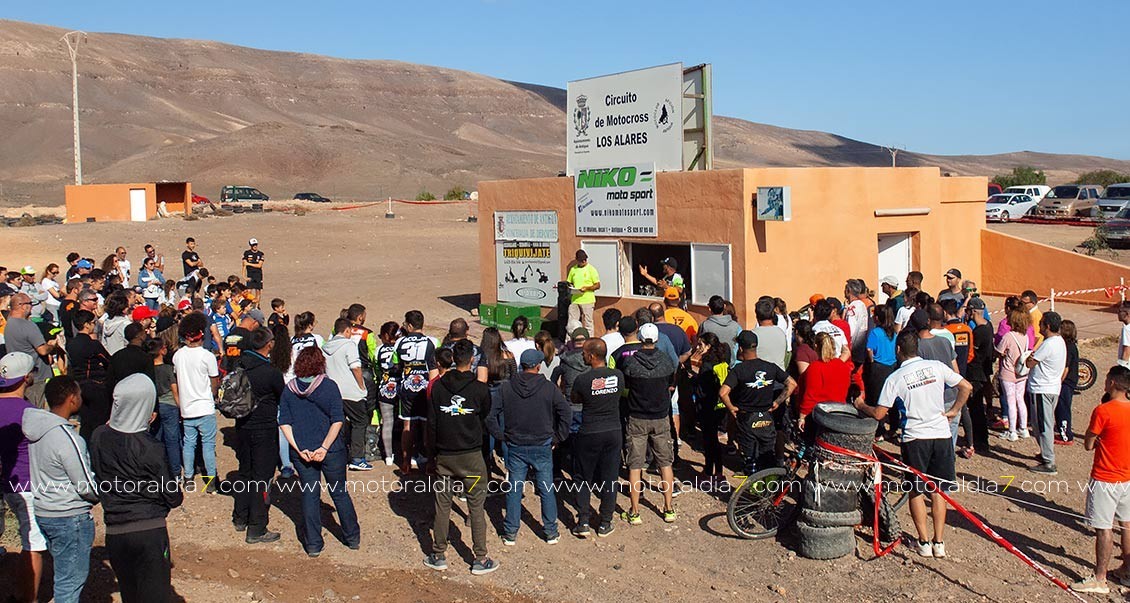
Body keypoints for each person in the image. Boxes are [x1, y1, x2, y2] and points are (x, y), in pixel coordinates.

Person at [855, 332, 971, 558]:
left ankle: (923, 541)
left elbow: (879, 413)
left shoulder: (896, 378)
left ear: (898, 350)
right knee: (939, 490)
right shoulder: (936, 367)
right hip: (941, 434)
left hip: (915, 438)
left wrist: (861, 405)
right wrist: (955, 410)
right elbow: (965, 386)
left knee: (916, 491)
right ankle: (939, 542)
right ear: (918, 348)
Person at [90, 374, 183, 603]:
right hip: (149, 532)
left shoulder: (99, 436)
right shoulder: (151, 447)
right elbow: (173, 496)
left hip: (115, 532)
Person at [423, 339, 500, 575]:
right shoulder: (479, 388)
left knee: (442, 503)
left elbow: (432, 424)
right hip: (471, 457)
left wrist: (431, 455)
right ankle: (480, 557)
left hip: (445, 455)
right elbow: (485, 414)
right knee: (476, 505)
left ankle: (438, 553)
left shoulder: (437, 387)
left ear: (453, 359)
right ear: (472, 361)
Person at [23, 376, 99, 603]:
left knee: (62, 574)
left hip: (45, 511)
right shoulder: (68, 438)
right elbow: (84, 484)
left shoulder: (36, 430)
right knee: (70, 583)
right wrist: (99, 495)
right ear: (71, 399)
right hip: (69, 516)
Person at [279, 347, 361, 557]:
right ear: (320, 364)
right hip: (331, 450)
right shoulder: (328, 386)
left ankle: (313, 544)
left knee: (309, 495)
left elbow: (284, 423)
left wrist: (298, 448)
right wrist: (324, 447)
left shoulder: (289, 389)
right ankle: (352, 537)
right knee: (339, 493)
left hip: (303, 452)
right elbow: (337, 420)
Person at [487, 349, 571, 544]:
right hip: (542, 445)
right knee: (546, 489)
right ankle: (550, 531)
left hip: (515, 444)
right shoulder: (549, 388)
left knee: (514, 488)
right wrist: (558, 437)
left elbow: (491, 415)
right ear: (538, 366)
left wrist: (501, 436)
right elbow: (565, 412)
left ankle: (510, 532)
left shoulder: (506, 388)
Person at [1072, 366, 1130, 594]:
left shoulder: (1103, 411)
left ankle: (1100, 578)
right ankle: (1127, 569)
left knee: (1103, 528)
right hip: (1127, 476)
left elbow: (1088, 444)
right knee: (1126, 523)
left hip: (1106, 476)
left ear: (1113, 383)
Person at [618, 323, 680, 524]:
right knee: (665, 463)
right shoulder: (666, 361)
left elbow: (626, 386)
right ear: (656, 339)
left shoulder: (631, 364)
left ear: (640, 338)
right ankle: (668, 508)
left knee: (635, 465)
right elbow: (672, 381)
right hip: (660, 417)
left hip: (637, 417)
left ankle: (634, 511)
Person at [0, 352, 46, 603]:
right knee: (33, 543)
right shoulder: (29, 412)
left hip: (8, 482)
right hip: (28, 483)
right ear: (26, 378)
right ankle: (29, 598)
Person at [232, 327, 284, 543]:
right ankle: (257, 527)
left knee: (245, 472)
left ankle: (240, 517)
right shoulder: (270, 372)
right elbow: (283, 397)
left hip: (242, 427)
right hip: (264, 429)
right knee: (262, 478)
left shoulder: (240, 366)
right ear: (269, 345)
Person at [719, 331, 797, 476]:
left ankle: (752, 489)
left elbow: (723, 392)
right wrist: (777, 402)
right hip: (767, 418)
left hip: (747, 419)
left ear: (741, 349)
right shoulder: (770, 367)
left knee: (750, 458)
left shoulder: (739, 370)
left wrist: (731, 408)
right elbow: (792, 383)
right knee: (767, 456)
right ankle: (768, 490)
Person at [570, 338, 624, 537]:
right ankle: (605, 522)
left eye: (584, 352)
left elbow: (576, 399)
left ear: (592, 356)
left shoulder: (582, 380)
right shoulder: (618, 376)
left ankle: (583, 520)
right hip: (613, 431)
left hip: (590, 431)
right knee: (610, 477)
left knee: (583, 476)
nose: (582, 355)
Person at [173, 312, 221, 493]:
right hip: (205, 406)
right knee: (208, 445)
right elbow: (214, 380)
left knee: (189, 443)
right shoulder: (207, 356)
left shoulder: (178, 356)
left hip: (187, 408)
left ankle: (188, 478)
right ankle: (211, 481)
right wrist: (213, 394)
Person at [324, 318, 370, 471]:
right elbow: (356, 367)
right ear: (347, 331)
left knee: (338, 423)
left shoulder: (325, 347)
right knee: (360, 421)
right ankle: (357, 458)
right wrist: (362, 386)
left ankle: (339, 455)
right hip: (350, 391)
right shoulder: (349, 345)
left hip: (332, 392)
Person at [395, 310, 438, 473]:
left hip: (407, 387)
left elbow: (396, 364)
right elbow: (434, 367)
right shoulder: (432, 342)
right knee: (428, 426)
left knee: (408, 424)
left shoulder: (400, 343)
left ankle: (406, 462)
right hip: (425, 387)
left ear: (410, 325)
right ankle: (430, 463)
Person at [1025, 311, 1067, 475]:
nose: (1039, 326)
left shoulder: (1048, 344)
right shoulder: (1059, 341)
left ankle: (1049, 462)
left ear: (1047, 326)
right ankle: (1045, 453)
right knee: (1043, 424)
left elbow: (1030, 363)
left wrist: (1029, 358)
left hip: (1042, 388)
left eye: (1041, 323)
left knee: (1042, 426)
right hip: (1051, 388)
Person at [689, 333, 730, 484]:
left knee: (709, 441)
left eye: (701, 345)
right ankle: (718, 472)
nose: (698, 348)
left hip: (708, 406)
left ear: (708, 346)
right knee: (714, 441)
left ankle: (708, 471)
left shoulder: (707, 364)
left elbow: (703, 389)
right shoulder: (722, 359)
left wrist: (693, 380)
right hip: (720, 406)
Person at [5, 293, 57, 407]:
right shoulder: (28, 325)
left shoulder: (9, 323)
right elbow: (42, 350)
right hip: (36, 377)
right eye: (30, 304)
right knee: (36, 409)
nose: (32, 307)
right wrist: (52, 345)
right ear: (22, 306)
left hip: (19, 376)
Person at [800, 332, 853, 427]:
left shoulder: (815, 367)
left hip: (820, 416)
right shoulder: (843, 366)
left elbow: (810, 395)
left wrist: (802, 417)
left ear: (815, 346)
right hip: (839, 412)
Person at [995, 310, 1031, 442]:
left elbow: (999, 351)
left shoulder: (1008, 336)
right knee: (1020, 400)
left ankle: (1012, 431)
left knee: (1011, 401)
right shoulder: (1026, 336)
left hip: (1008, 372)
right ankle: (1023, 428)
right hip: (1021, 373)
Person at [965, 297, 994, 453]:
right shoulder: (988, 326)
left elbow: (972, 353)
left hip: (976, 373)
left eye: (968, 310)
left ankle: (980, 441)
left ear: (973, 311)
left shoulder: (979, 331)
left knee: (976, 409)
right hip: (983, 372)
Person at [867, 305, 899, 409]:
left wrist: (871, 361)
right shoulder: (893, 333)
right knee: (892, 396)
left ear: (877, 318)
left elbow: (869, 349)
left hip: (879, 367)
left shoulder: (875, 332)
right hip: (892, 366)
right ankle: (894, 421)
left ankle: (879, 423)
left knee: (877, 397)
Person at [1056, 320, 1079, 445]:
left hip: (1066, 382)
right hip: (1069, 381)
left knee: (1063, 408)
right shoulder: (1070, 345)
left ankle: (1066, 436)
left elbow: (1066, 368)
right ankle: (1063, 431)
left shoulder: (1068, 347)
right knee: (1063, 407)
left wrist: (1058, 382)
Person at [566, 249, 600, 334]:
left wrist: (587, 288)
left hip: (587, 300)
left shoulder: (591, 269)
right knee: (572, 323)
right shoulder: (573, 269)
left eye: (585, 260)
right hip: (575, 299)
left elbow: (597, 285)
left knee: (588, 323)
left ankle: (589, 341)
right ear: (577, 260)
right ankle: (570, 342)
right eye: (581, 260)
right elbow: (569, 281)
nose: (584, 261)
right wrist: (571, 286)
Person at [242, 238, 265, 305]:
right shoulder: (247, 253)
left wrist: (249, 264)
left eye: (255, 245)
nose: (255, 246)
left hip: (258, 275)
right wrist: (244, 276)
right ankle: (249, 304)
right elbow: (243, 264)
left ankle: (257, 305)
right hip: (250, 274)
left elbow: (259, 265)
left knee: (258, 291)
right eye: (253, 245)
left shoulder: (260, 254)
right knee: (248, 291)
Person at [1118, 303, 1130, 369]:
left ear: (1127, 314)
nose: (1118, 314)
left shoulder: (1127, 329)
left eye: (1120, 311)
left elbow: (1126, 351)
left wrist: (1121, 369)